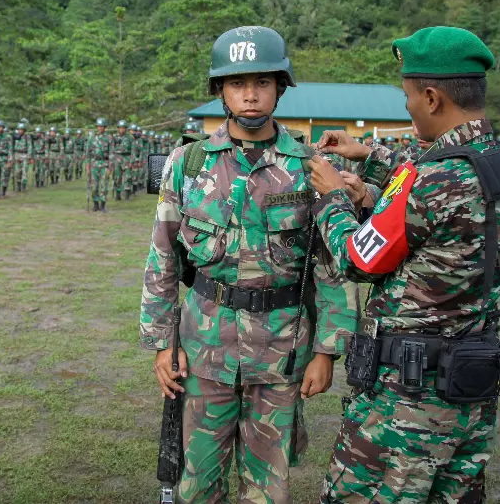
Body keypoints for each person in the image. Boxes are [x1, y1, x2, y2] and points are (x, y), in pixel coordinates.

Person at [309, 25, 500, 504]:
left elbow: (358, 258)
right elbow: (430, 186)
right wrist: (370, 154)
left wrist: (332, 200)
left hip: (408, 402)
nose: (405, 108)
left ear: (430, 98)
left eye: (407, 97)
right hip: (469, 380)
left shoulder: (435, 178)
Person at [141, 25, 356, 504]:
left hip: (281, 354)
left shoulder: (308, 166)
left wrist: (327, 351)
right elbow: (163, 259)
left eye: (262, 83)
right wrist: (161, 344)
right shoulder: (187, 163)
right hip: (202, 349)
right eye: (238, 84)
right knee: (197, 484)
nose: (251, 95)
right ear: (221, 90)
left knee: (268, 490)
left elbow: (330, 267)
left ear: (280, 87)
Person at [86, 118, 113, 212]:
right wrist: (87, 166)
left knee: (104, 185)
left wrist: (110, 167)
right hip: (94, 164)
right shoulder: (92, 138)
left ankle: (103, 205)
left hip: (104, 164)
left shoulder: (109, 138)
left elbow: (111, 153)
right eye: (98, 126)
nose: (100, 128)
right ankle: (95, 204)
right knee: (94, 186)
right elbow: (88, 153)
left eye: (102, 126)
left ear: (105, 127)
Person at [112, 120, 133, 201]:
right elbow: (111, 149)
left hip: (127, 158)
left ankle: (127, 194)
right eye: (120, 128)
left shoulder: (129, 138)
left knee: (127, 177)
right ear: (118, 128)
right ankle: (118, 194)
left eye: (123, 128)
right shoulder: (114, 137)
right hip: (117, 158)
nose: (122, 130)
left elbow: (133, 150)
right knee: (117, 177)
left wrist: (131, 161)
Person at [11, 122, 32, 193]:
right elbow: (12, 146)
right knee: (17, 171)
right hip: (17, 154)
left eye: (22, 130)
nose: (20, 131)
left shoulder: (27, 137)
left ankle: (24, 186)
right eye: (19, 129)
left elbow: (29, 147)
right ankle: (18, 185)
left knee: (24, 171)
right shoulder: (15, 136)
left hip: (25, 155)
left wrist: (29, 157)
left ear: (24, 130)